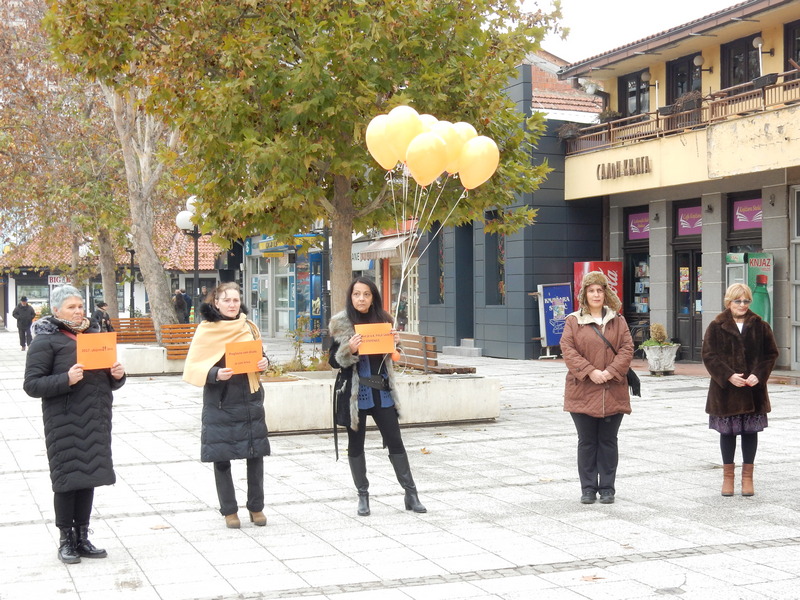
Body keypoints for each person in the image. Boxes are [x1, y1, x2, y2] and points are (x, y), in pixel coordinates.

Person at [22, 285, 126, 564]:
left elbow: (108, 379)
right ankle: (65, 539)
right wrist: (65, 379)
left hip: (96, 417)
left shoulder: (95, 336)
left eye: (80, 306)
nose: (78, 311)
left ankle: (82, 536)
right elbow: (32, 385)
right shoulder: (46, 341)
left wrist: (117, 375)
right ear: (56, 311)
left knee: (88, 477)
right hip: (64, 421)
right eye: (71, 307)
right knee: (67, 481)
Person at [328, 276, 426, 516]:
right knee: (356, 444)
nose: (361, 298)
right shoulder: (340, 323)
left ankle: (411, 494)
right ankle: (363, 496)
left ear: (373, 297)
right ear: (350, 297)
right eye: (356, 294)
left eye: (366, 294)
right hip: (355, 396)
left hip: (381, 392)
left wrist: (396, 345)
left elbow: (394, 357)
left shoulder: (384, 321)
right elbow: (333, 361)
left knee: (396, 441)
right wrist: (348, 350)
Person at [182, 282, 270, 528]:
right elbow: (193, 366)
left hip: (250, 398)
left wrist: (264, 362)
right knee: (221, 457)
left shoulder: (249, 326)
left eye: (236, 300)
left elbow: (260, 354)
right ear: (216, 303)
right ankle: (229, 510)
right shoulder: (206, 330)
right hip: (220, 401)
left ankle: (256, 507)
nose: (233, 304)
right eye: (227, 300)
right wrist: (215, 374)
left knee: (256, 454)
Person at [560, 271, 633, 505]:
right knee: (587, 441)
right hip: (582, 390)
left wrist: (610, 372)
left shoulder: (617, 320)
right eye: (591, 290)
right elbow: (568, 349)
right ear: (584, 294)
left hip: (613, 389)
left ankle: (608, 488)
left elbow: (627, 348)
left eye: (599, 290)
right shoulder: (573, 320)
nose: (596, 294)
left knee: (609, 441)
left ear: (605, 293)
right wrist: (591, 371)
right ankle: (588, 489)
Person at [702, 283, 778, 497]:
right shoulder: (717, 325)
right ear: (729, 302)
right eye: (738, 301)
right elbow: (709, 355)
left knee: (749, 433)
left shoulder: (760, 326)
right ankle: (728, 478)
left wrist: (759, 374)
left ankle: (747, 478)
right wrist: (727, 375)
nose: (743, 305)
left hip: (753, 390)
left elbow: (771, 354)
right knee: (727, 433)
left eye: (746, 301)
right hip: (725, 392)